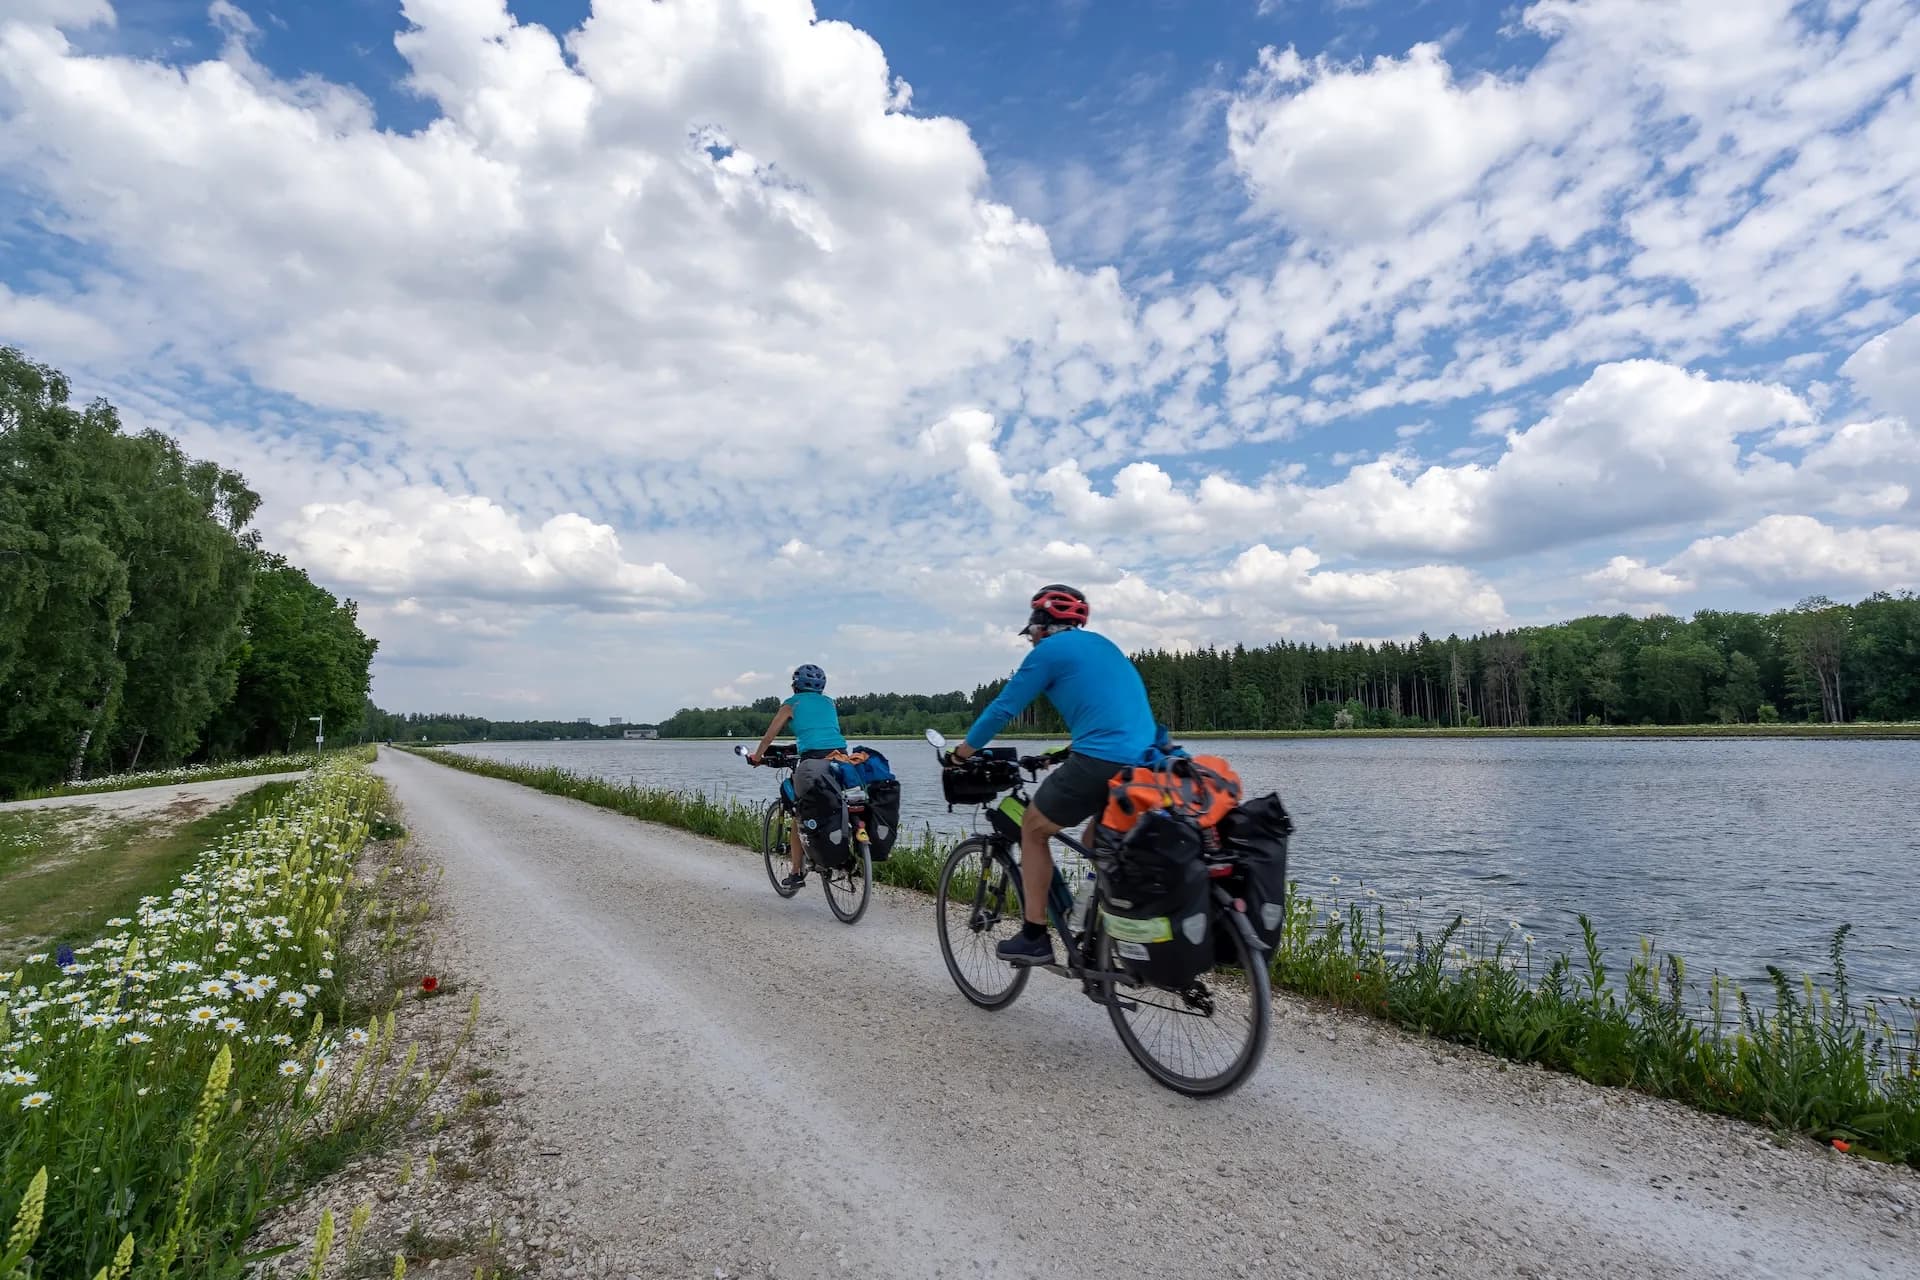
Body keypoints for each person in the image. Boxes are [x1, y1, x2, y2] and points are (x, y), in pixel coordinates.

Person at [951, 585, 1158, 964]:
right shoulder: (1104, 646)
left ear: (1041, 627)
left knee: (1033, 827)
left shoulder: (1048, 651)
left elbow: (1002, 709)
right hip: (1148, 762)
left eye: (1030, 634)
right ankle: (1099, 933)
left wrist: (962, 753)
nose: (1031, 642)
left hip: (1101, 761)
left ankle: (1034, 936)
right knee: (1098, 841)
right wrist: (1059, 754)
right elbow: (1112, 715)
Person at [749, 663, 847, 889]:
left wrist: (757, 757)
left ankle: (796, 872)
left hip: (812, 761)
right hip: (841, 758)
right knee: (836, 802)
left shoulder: (791, 704)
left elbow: (768, 737)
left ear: (795, 685)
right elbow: (825, 733)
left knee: (798, 812)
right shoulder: (829, 703)